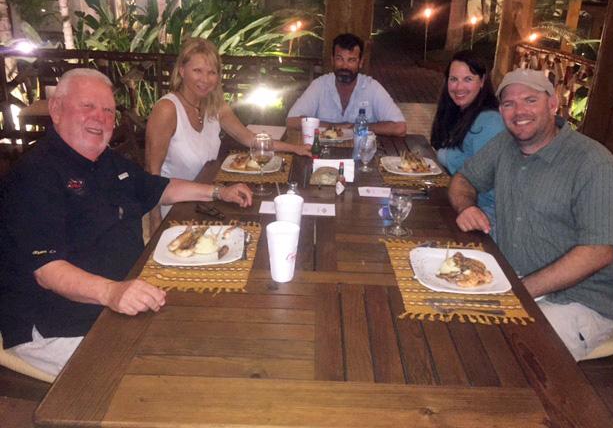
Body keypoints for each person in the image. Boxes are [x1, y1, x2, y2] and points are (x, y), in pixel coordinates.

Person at [0, 68, 253, 376]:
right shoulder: (34, 176)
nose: (100, 117)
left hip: (122, 295)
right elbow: (48, 272)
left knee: (211, 327)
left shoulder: (105, 161)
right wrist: (112, 293)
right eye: (87, 106)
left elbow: (158, 188)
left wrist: (218, 191)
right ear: (56, 109)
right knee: (167, 375)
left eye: (107, 110)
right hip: (57, 324)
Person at [448, 68, 613, 360]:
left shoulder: (593, 163)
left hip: (583, 299)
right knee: (447, 318)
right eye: (509, 104)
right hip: (516, 277)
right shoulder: (505, 145)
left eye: (530, 100)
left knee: (504, 355)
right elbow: (463, 180)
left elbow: (598, 252)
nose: (519, 111)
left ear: (553, 104)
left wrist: (519, 291)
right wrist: (467, 206)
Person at [145, 38, 310, 230]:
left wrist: (295, 148)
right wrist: (155, 225)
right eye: (197, 71)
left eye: (211, 73)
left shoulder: (214, 105)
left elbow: (249, 138)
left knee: (261, 221)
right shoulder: (167, 109)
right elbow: (151, 175)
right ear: (182, 71)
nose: (205, 79)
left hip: (208, 201)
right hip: (177, 208)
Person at [430, 51, 504, 232]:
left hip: (481, 216)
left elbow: (488, 182)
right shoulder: (459, 114)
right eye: (453, 79)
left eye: (468, 79)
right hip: (457, 203)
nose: (458, 87)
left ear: (482, 81)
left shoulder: (489, 122)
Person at [286, 33, 406, 136]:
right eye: (340, 59)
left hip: (361, 154)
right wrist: (335, 127)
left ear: (360, 63)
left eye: (351, 60)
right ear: (332, 60)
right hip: (323, 154)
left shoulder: (372, 87)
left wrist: (356, 127)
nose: (345, 66)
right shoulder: (320, 85)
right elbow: (291, 121)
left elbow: (400, 127)